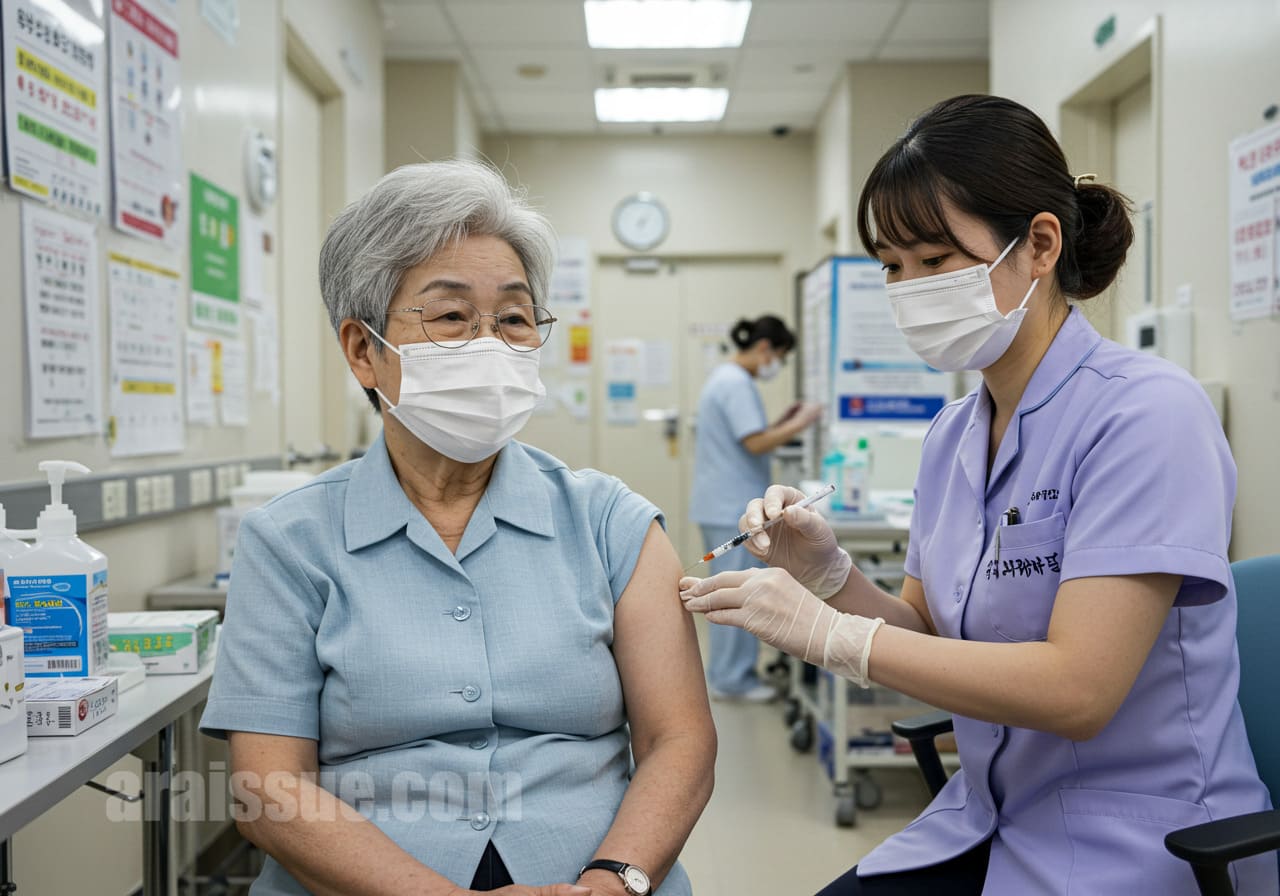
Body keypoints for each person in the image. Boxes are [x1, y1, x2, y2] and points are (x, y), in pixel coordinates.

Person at [679, 94, 1276, 895]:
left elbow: (1079, 690)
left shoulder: (1148, 414)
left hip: (1141, 846)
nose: (908, 287)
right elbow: (925, 630)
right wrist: (829, 578)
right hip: (989, 818)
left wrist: (832, 637)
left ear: (1037, 244)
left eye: (934, 260)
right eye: (892, 266)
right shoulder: (953, 435)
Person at [201, 160, 716, 896]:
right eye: (449, 318)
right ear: (362, 350)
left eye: (511, 318)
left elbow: (680, 740)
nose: (489, 345)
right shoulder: (290, 542)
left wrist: (612, 881)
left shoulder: (614, 525)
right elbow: (271, 793)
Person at [689, 315, 822, 701]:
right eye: (779, 355)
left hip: (722, 501)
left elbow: (753, 435)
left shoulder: (725, 379)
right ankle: (733, 680)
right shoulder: (736, 384)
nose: (775, 364)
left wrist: (783, 422)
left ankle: (727, 674)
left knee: (728, 588)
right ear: (765, 348)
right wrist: (804, 422)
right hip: (731, 505)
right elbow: (756, 444)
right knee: (735, 592)